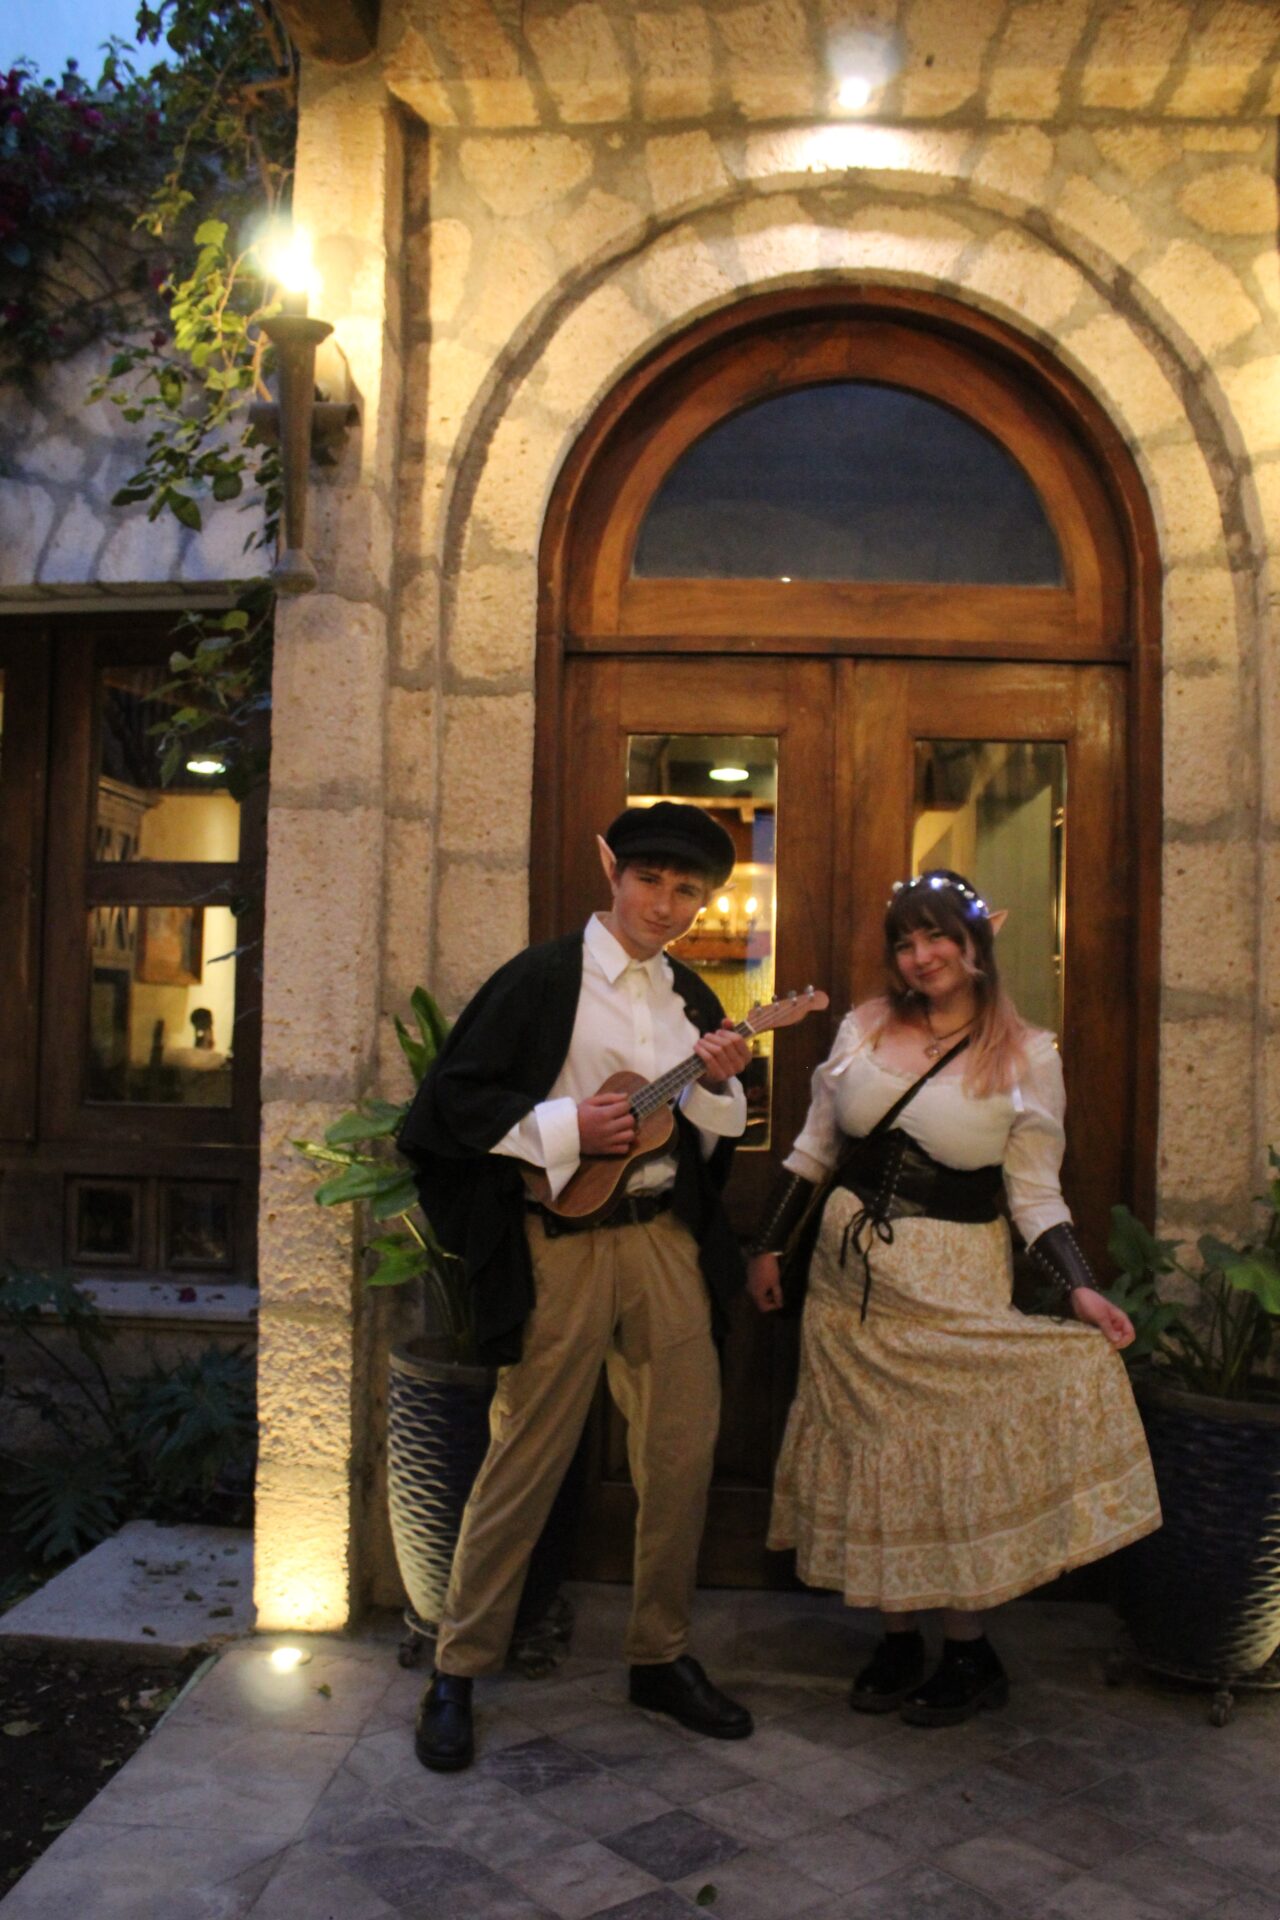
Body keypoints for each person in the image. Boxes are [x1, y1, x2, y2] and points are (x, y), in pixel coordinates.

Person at [747, 870, 1161, 1728]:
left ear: (977, 943)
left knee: (946, 1462)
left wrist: (1081, 1289)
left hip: (954, 1282)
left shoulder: (1027, 1055)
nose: (921, 955)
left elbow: (1034, 1194)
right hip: (848, 1288)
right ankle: (898, 1639)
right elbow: (814, 1151)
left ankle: (969, 1651)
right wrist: (767, 1245)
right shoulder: (863, 1028)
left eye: (938, 935)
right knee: (873, 1455)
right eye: (905, 941)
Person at [399, 802, 757, 1770]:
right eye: (650, 881)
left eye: (687, 892)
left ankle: (659, 1655)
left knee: (680, 1453)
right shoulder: (542, 978)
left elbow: (713, 1130)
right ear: (611, 870)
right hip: (557, 1244)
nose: (665, 906)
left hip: (663, 1241)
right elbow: (451, 1105)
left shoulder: (690, 994)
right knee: (523, 1453)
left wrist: (719, 1080)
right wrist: (566, 1128)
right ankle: (457, 1666)